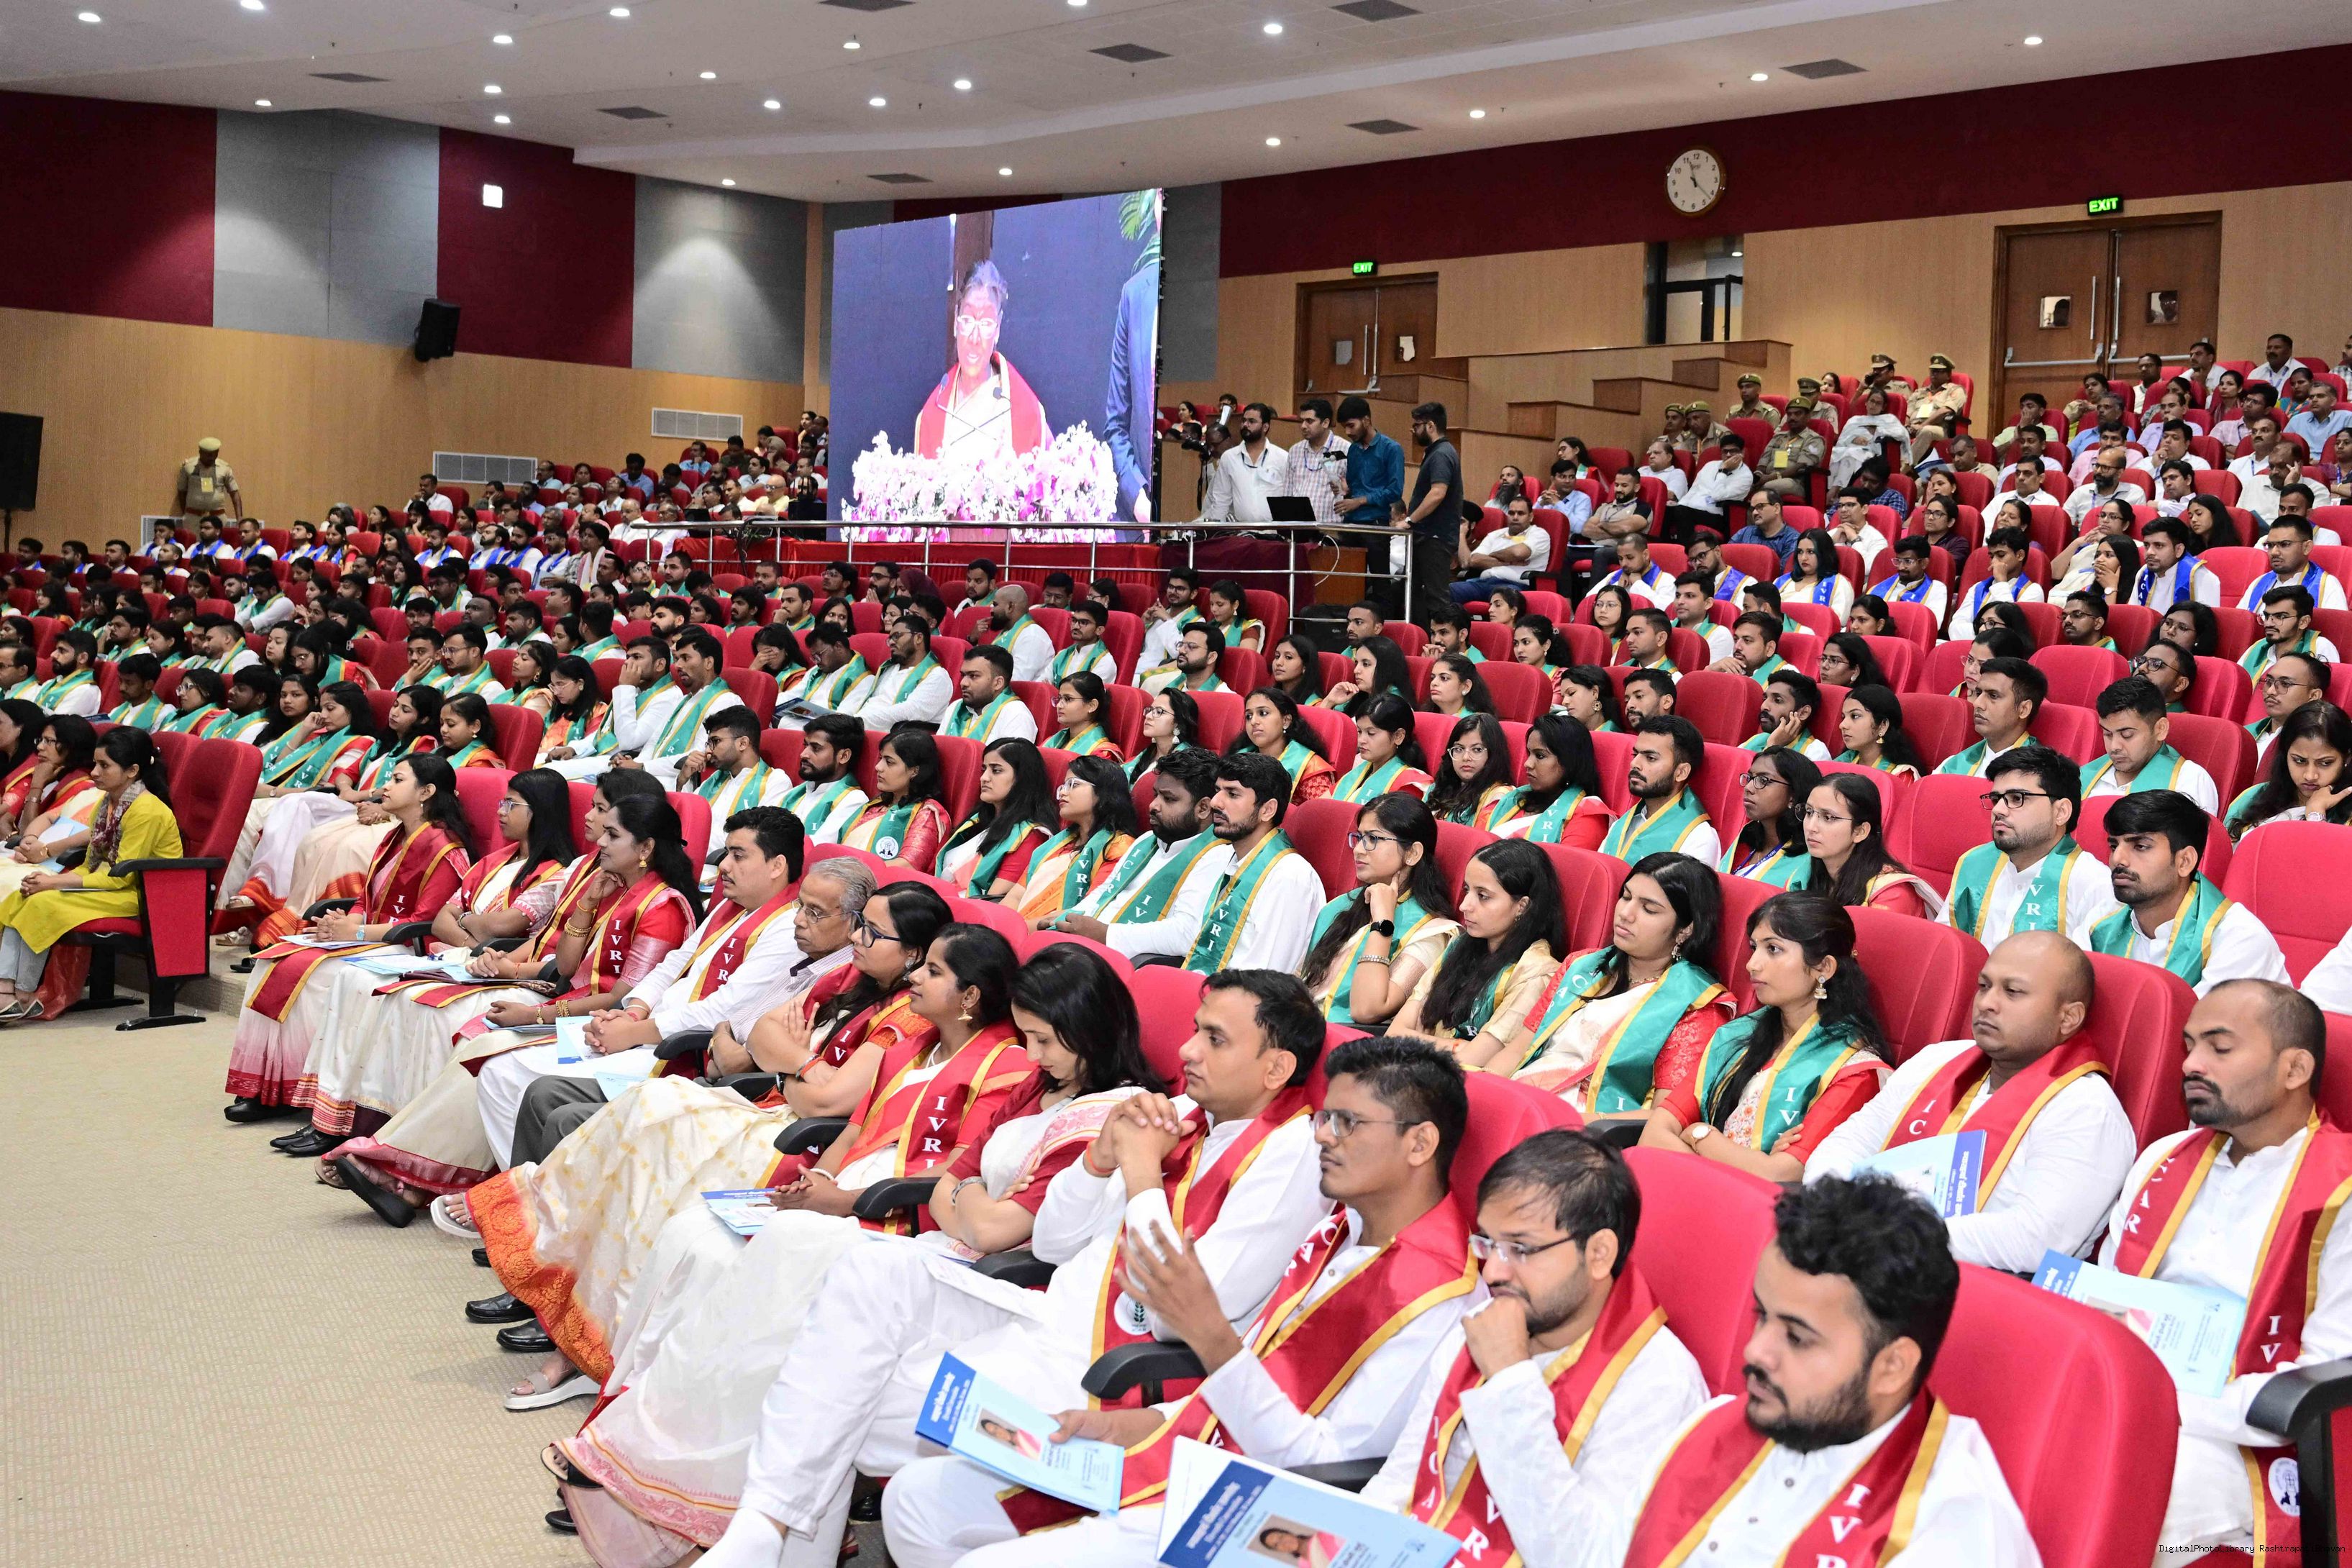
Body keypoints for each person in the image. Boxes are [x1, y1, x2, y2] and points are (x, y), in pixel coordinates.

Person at [687, 970, 1335, 1568]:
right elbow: (1053, 1241)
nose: (1187, 1051)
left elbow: (1180, 1316)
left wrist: (1140, 1172)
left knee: (840, 1407)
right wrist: (1098, 1161)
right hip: (1046, 1315)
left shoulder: (1290, 1159)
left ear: (1276, 1067)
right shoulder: (1186, 1118)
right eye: (1195, 1030)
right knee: (869, 1274)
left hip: (1107, 1370)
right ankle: (764, 1528)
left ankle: (768, 1534)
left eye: (1214, 1039)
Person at [558, 940, 1164, 1559]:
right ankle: (690, 1476)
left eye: (1043, 1040)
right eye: (1027, 1037)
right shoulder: (1039, 1085)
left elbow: (993, 1229)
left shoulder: (1110, 1115)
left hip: (992, 1279)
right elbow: (953, 1183)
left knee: (802, 1308)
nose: (1032, 1054)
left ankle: (721, 1505)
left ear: (1088, 1030)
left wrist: (966, 1199)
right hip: (945, 1244)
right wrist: (968, 1200)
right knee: (777, 1269)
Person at [870, 1032, 1484, 1568]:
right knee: (915, 1502)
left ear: (1420, 1143)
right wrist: (1132, 1425)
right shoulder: (1342, 1230)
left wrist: (1211, 1336)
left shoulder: (1437, 1295)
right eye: (1325, 1117)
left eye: (1347, 1123)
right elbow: (1260, 1379)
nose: (1322, 1135)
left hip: (1256, 1513)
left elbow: (1321, 1468)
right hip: (1190, 1448)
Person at [482, 906, 1021, 1411]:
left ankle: (607, 1348)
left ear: (967, 992)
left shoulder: (966, 1048)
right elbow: (763, 1030)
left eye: (875, 933)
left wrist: (792, 1072)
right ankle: (568, 1308)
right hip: (808, 1140)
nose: (857, 938)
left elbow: (833, 1105)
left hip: (840, 1170)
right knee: (648, 1134)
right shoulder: (894, 1021)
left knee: (666, 1180)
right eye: (859, 923)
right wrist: (798, 1081)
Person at [1622, 1175, 2038, 1565]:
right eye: (1762, 1315)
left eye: (1797, 1338)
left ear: (1892, 1367)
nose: (1755, 1351)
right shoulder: (1711, 1426)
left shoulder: (1949, 1533)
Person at [2111, 981, 2352, 1563]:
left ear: (2295, 1069)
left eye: (2220, 1048)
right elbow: (2109, 1298)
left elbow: (2324, 1378)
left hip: (2249, 1438)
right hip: (2130, 1394)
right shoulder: (2163, 1158)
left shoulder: (2343, 1192)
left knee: (2110, 1496)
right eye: (2190, 1045)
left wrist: (2159, 1403)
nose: (2191, 1064)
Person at [1810, 929, 2134, 1271]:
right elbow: (1848, 1143)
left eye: (2013, 991)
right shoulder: (1937, 1060)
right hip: (1865, 1249)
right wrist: (1836, 1206)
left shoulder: (2085, 1109)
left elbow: (2034, 1240)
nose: (1987, 1003)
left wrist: (1887, 1233)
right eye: (1984, 986)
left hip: (1975, 1284)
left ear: (2068, 1018)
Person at [221, 754, 475, 1116]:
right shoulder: (394, 837)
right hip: (372, 938)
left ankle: (311, 1090)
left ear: (426, 792)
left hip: (412, 948)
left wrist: (354, 931)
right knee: (272, 962)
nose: (385, 786)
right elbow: (366, 898)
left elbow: (426, 921)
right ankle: (269, 1088)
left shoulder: (445, 848)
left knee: (321, 977)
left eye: (398, 780)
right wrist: (343, 922)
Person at [1639, 893, 1890, 1180]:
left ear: (1823, 968)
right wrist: (1739, 1159)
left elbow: (1780, 1175)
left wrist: (1699, 1134)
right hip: (1684, 1186)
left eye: (1773, 949)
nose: (1752, 964)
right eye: (1754, 947)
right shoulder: (1737, 1035)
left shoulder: (1852, 1070)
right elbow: (1654, 1135)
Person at [0, 728, 183, 1024]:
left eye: (104, 766)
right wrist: (46, 882)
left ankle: (21, 994)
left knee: (42, 903)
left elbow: (120, 877)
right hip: (113, 887)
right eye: (95, 764)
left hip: (144, 895)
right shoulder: (107, 802)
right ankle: (7, 991)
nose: (94, 772)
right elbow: (91, 864)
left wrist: (54, 882)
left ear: (132, 771)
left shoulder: (147, 811)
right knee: (24, 896)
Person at [2093, 790, 2289, 995]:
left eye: (2140, 846)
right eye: (2114, 846)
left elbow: (2187, 1016)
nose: (2118, 859)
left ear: (2184, 861)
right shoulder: (2103, 919)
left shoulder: (2238, 938)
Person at [1041, 748, 1226, 965]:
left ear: (1203, 808)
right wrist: (1071, 917)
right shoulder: (1147, 839)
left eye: (1168, 799)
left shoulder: (1216, 855)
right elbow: (1106, 893)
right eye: (1156, 795)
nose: (1153, 806)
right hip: (1088, 944)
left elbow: (1185, 933)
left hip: (1122, 962)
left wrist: (1106, 934)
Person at [1390, 840, 1565, 1066]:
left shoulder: (1536, 973)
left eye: (1483, 896)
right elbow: (1394, 1034)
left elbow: (1475, 1059)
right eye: (1467, 890)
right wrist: (1457, 1046)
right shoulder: (1460, 946)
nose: (1464, 906)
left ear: (1522, 907)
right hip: (1416, 1068)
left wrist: (1419, 1041)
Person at [1300, 795, 1459, 1028]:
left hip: (1352, 1042)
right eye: (1359, 837)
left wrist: (1383, 923)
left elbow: (1367, 1010)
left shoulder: (1432, 932)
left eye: (1373, 839)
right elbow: (1301, 983)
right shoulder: (1339, 906)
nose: (1358, 850)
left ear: (1412, 853)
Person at [1945, 744, 2119, 947]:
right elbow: (1948, 947)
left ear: (2061, 812)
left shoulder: (2094, 885)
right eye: (1996, 799)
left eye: (2016, 798)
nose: (1998, 810)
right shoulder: (1974, 864)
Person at [1180, 752, 1326, 973]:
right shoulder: (1222, 856)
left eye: (1232, 794)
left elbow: (1268, 977)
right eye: (1218, 790)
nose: (1215, 802)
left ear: (1267, 810)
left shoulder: (1290, 876)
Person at [913, 261, 1047, 465]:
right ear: (956, 321)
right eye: (968, 320)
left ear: (998, 328)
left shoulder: (1025, 410)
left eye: (985, 323)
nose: (975, 338)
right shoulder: (934, 413)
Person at [1008, 755, 1140, 921]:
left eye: (1073, 785)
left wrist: (1014, 929)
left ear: (1103, 792)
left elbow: (1086, 912)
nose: (1063, 792)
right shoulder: (1058, 844)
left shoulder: (1118, 847)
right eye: (1064, 786)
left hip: (1056, 934)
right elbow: (1015, 896)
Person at [2083, 675, 2221, 811]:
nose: (2114, 747)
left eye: (2127, 735)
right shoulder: (2083, 778)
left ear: (2161, 729)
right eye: (2108, 734)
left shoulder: (2188, 780)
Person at [1602, 716, 1720, 865]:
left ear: (1681, 772)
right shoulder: (1621, 825)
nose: (1634, 763)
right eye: (1635, 754)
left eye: (1650, 758)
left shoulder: (1698, 837)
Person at [2229, 700, 2352, 840]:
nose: (2310, 775)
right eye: (2299, 761)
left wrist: (2316, 815)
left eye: (2325, 763)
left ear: (2347, 759)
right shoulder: (2253, 796)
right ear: (2286, 755)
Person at [1483, 713, 1610, 847]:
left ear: (1569, 762)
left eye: (1540, 756)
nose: (1527, 763)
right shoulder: (1514, 799)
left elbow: (1566, 861)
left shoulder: (1586, 815)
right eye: (1529, 753)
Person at [837, 727, 954, 872]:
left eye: (889, 762)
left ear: (915, 771)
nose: (878, 767)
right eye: (880, 759)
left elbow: (907, 866)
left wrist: (851, 872)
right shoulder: (875, 806)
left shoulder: (926, 813)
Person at [1721, 747, 1820, 886]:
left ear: (1793, 796)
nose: (1748, 787)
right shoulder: (1744, 840)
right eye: (1749, 778)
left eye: (1763, 780)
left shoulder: (1808, 861)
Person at [1401, 403, 1463, 624]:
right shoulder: (1437, 452)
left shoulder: (1441, 454)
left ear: (1430, 426)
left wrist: (1410, 520)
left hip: (1435, 537)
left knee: (1437, 600)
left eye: (1416, 425)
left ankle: (1446, 643)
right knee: (1413, 596)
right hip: (1427, 536)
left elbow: (1438, 493)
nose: (1413, 430)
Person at [1935, 656, 2043, 778]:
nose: (1977, 703)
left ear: (2023, 709)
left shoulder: (2040, 774)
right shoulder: (1953, 765)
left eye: (1993, 696)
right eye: (1978, 693)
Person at [849, 615, 952, 732]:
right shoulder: (889, 669)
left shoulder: (937, 676)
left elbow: (911, 712)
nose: (891, 642)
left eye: (897, 636)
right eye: (890, 639)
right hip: (858, 728)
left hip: (892, 736)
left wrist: (859, 722)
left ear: (918, 638)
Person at [1331, 691, 1432, 803]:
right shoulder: (1359, 771)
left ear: (1398, 736)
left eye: (1371, 733)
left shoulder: (1410, 784)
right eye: (1359, 731)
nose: (1361, 740)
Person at [1946, 527, 2045, 639]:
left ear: (2020, 555)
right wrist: (1985, 633)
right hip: (1971, 646)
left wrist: (2001, 582)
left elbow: (2010, 629)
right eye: (1992, 556)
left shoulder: (2032, 591)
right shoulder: (1978, 588)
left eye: (2001, 555)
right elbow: (1955, 627)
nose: (1994, 562)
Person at [1200, 402, 1290, 523]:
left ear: (1265, 427)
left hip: (1274, 531)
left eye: (1252, 421)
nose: (1246, 425)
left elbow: (1290, 497)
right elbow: (1221, 500)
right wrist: (1216, 530)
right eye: (1244, 421)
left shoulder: (1282, 458)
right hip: (1242, 530)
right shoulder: (1229, 458)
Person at [1452, 493, 1551, 602]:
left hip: (1514, 585)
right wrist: (1508, 562)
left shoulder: (1539, 534)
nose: (1515, 517)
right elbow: (1474, 560)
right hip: (1484, 582)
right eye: (1511, 513)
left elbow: (1518, 553)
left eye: (1521, 513)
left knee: (1505, 598)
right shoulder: (1495, 535)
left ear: (1531, 517)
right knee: (1449, 591)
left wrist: (1490, 557)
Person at [1426, 712, 1516, 829]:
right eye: (1459, 749)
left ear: (1493, 754)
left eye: (1477, 750)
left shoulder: (1500, 797)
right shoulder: (1436, 789)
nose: (1466, 757)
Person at [1666, 435, 1753, 543]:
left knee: (1683, 512)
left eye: (1733, 451)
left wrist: (1723, 471)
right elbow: (1694, 490)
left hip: (1718, 515)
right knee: (1668, 510)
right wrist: (1679, 504)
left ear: (1742, 453)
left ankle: (1685, 549)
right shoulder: (1710, 466)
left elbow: (1717, 495)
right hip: (1693, 508)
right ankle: (1662, 547)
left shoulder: (1746, 476)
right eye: (1725, 451)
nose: (1728, 455)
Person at [2248, 650, 2328, 766]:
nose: (2270, 691)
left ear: (2313, 696)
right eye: (2269, 682)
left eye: (2285, 684)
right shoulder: (2245, 734)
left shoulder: (2318, 744)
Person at [1866, 534, 1948, 627]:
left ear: (1924, 563)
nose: (1901, 567)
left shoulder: (1935, 589)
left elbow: (1932, 625)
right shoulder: (1880, 588)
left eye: (1908, 561)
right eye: (1898, 561)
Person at [173, 436, 243, 526]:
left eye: (214, 454)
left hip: (217, 518)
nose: (211, 458)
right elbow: (182, 491)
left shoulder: (225, 468)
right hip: (193, 518)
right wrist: (186, 512)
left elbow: (235, 493)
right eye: (208, 455)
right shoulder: (189, 467)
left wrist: (239, 518)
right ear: (200, 452)